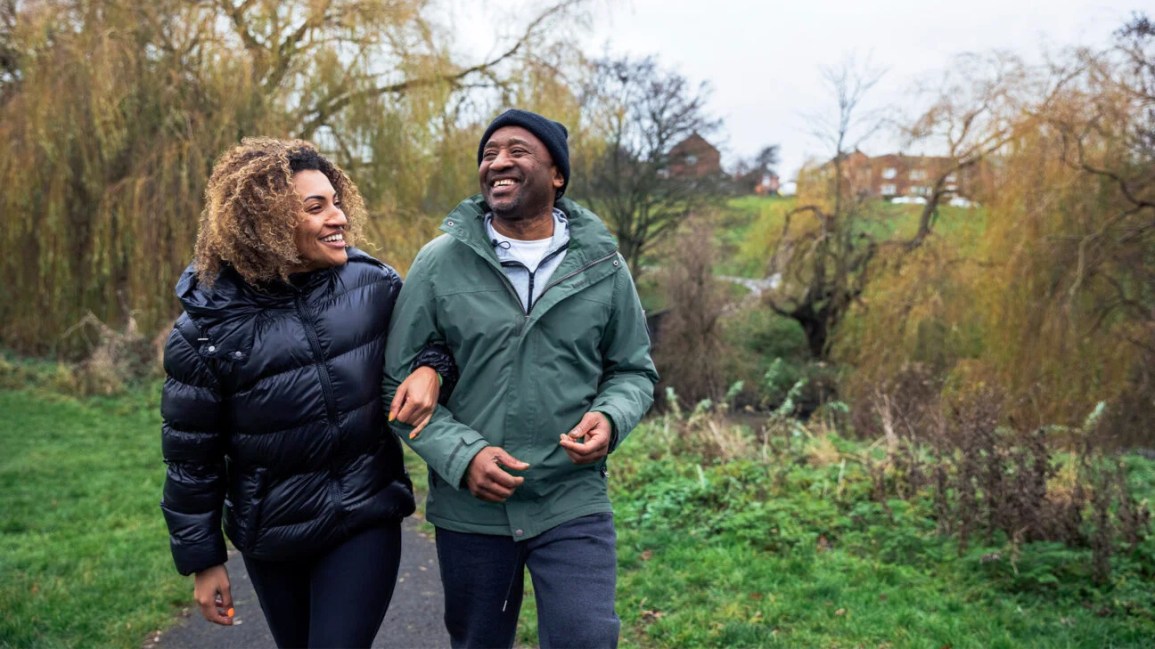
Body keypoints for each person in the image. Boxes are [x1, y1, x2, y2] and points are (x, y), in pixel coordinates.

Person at [160, 137, 456, 648]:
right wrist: (203, 560)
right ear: (265, 224)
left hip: (364, 515)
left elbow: (439, 339)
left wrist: (432, 366)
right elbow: (192, 458)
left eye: (336, 201)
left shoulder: (373, 285)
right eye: (315, 207)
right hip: (272, 535)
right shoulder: (205, 328)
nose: (338, 216)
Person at [383, 108, 659, 648]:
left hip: (571, 497)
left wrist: (610, 417)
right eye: (489, 154)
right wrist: (463, 459)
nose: (498, 163)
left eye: (516, 151)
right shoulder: (439, 263)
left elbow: (633, 370)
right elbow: (396, 380)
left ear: (557, 174)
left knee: (586, 637)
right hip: (472, 510)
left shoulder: (603, 265)